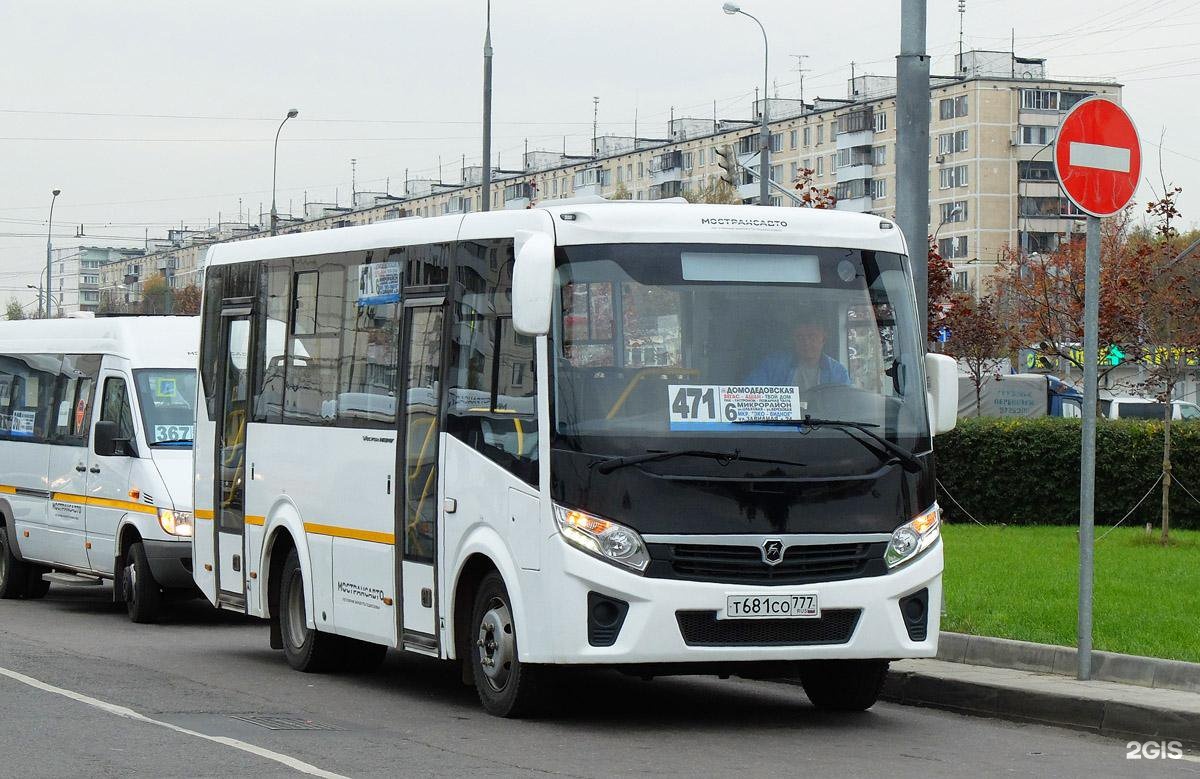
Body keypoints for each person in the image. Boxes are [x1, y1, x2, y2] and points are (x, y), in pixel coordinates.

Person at [747, 317, 850, 389]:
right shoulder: (772, 365)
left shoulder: (838, 373)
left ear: (823, 338)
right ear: (793, 340)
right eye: (800, 337)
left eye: (812, 336)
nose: (806, 342)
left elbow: (844, 407)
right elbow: (750, 394)